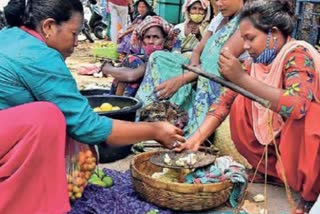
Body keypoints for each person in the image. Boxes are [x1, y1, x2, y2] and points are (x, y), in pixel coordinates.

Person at [0, 1, 184, 213]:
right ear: (49, 27)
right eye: (74, 33)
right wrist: (155, 130)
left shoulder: (10, 35)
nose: (77, 43)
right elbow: (88, 126)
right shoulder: (37, 55)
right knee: (47, 117)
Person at [179, 0, 320, 213]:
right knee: (239, 104)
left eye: (250, 38)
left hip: (307, 137)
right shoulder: (254, 64)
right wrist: (195, 139)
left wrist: (242, 79)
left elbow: (297, 105)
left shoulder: (297, 54)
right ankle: (271, 173)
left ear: (273, 33)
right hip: (281, 138)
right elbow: (223, 102)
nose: (245, 46)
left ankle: (311, 194)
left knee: (310, 117)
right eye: (243, 39)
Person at [135, 0, 246, 136]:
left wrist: (183, 79)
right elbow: (197, 51)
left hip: (219, 75)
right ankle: (152, 112)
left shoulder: (247, 21)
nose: (219, 4)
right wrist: (193, 68)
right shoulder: (219, 19)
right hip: (199, 69)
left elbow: (218, 62)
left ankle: (187, 123)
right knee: (158, 57)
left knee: (212, 71)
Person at [102, 15, 176, 97]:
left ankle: (120, 101)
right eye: (147, 37)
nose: (151, 41)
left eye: (156, 37)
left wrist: (107, 68)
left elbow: (132, 76)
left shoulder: (162, 57)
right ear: (142, 41)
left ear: (165, 40)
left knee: (132, 61)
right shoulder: (144, 57)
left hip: (157, 98)